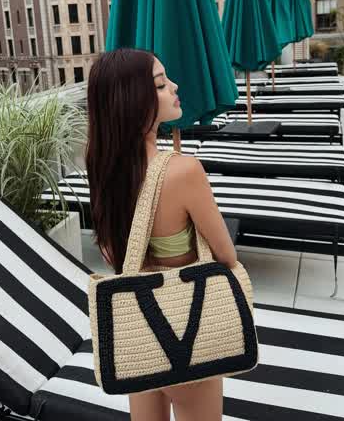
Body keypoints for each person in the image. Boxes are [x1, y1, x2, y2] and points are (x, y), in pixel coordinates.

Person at [86, 48, 238, 421]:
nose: (174, 86)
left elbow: (113, 253)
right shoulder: (183, 171)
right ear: (132, 100)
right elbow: (226, 257)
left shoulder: (104, 167)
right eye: (159, 84)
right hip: (186, 329)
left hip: (137, 335)